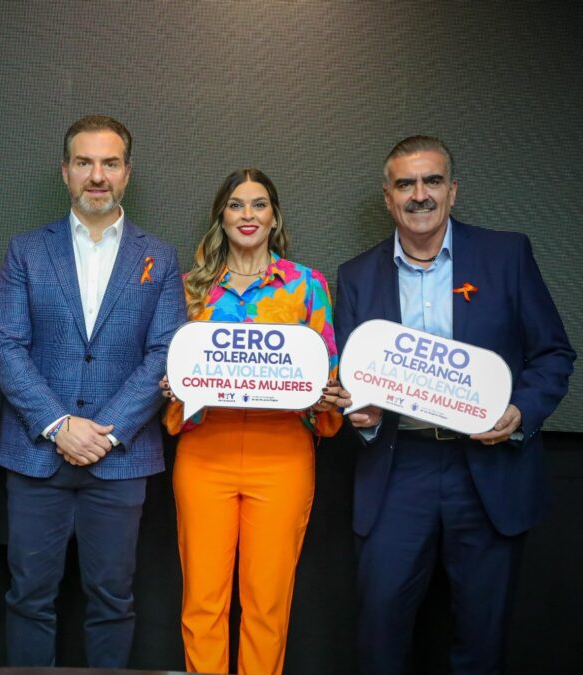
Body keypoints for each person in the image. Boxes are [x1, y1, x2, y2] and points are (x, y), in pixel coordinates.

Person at [334, 136, 575, 675]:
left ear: (453, 191)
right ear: (388, 197)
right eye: (405, 184)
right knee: (379, 632)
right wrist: (361, 416)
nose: (419, 194)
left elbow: (553, 354)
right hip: (399, 468)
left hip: (489, 467)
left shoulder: (506, 255)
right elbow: (352, 380)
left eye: (432, 181)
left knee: (482, 640)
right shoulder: (355, 276)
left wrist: (520, 412)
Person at [0, 115, 186, 667]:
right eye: (84, 163)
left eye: (109, 163)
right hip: (36, 457)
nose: (97, 175)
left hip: (120, 459)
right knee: (29, 599)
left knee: (113, 601)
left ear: (127, 173)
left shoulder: (160, 257)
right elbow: (5, 343)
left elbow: (165, 351)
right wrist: (58, 425)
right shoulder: (27, 250)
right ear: (65, 171)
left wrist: (105, 432)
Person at [160, 168, 342, 675]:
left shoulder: (306, 285)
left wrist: (329, 392)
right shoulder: (190, 289)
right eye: (236, 204)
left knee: (267, 604)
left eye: (258, 204)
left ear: (274, 217)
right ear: (221, 215)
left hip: (281, 455)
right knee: (203, 602)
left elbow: (327, 373)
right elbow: (170, 366)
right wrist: (171, 386)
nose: (248, 215)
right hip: (205, 452)